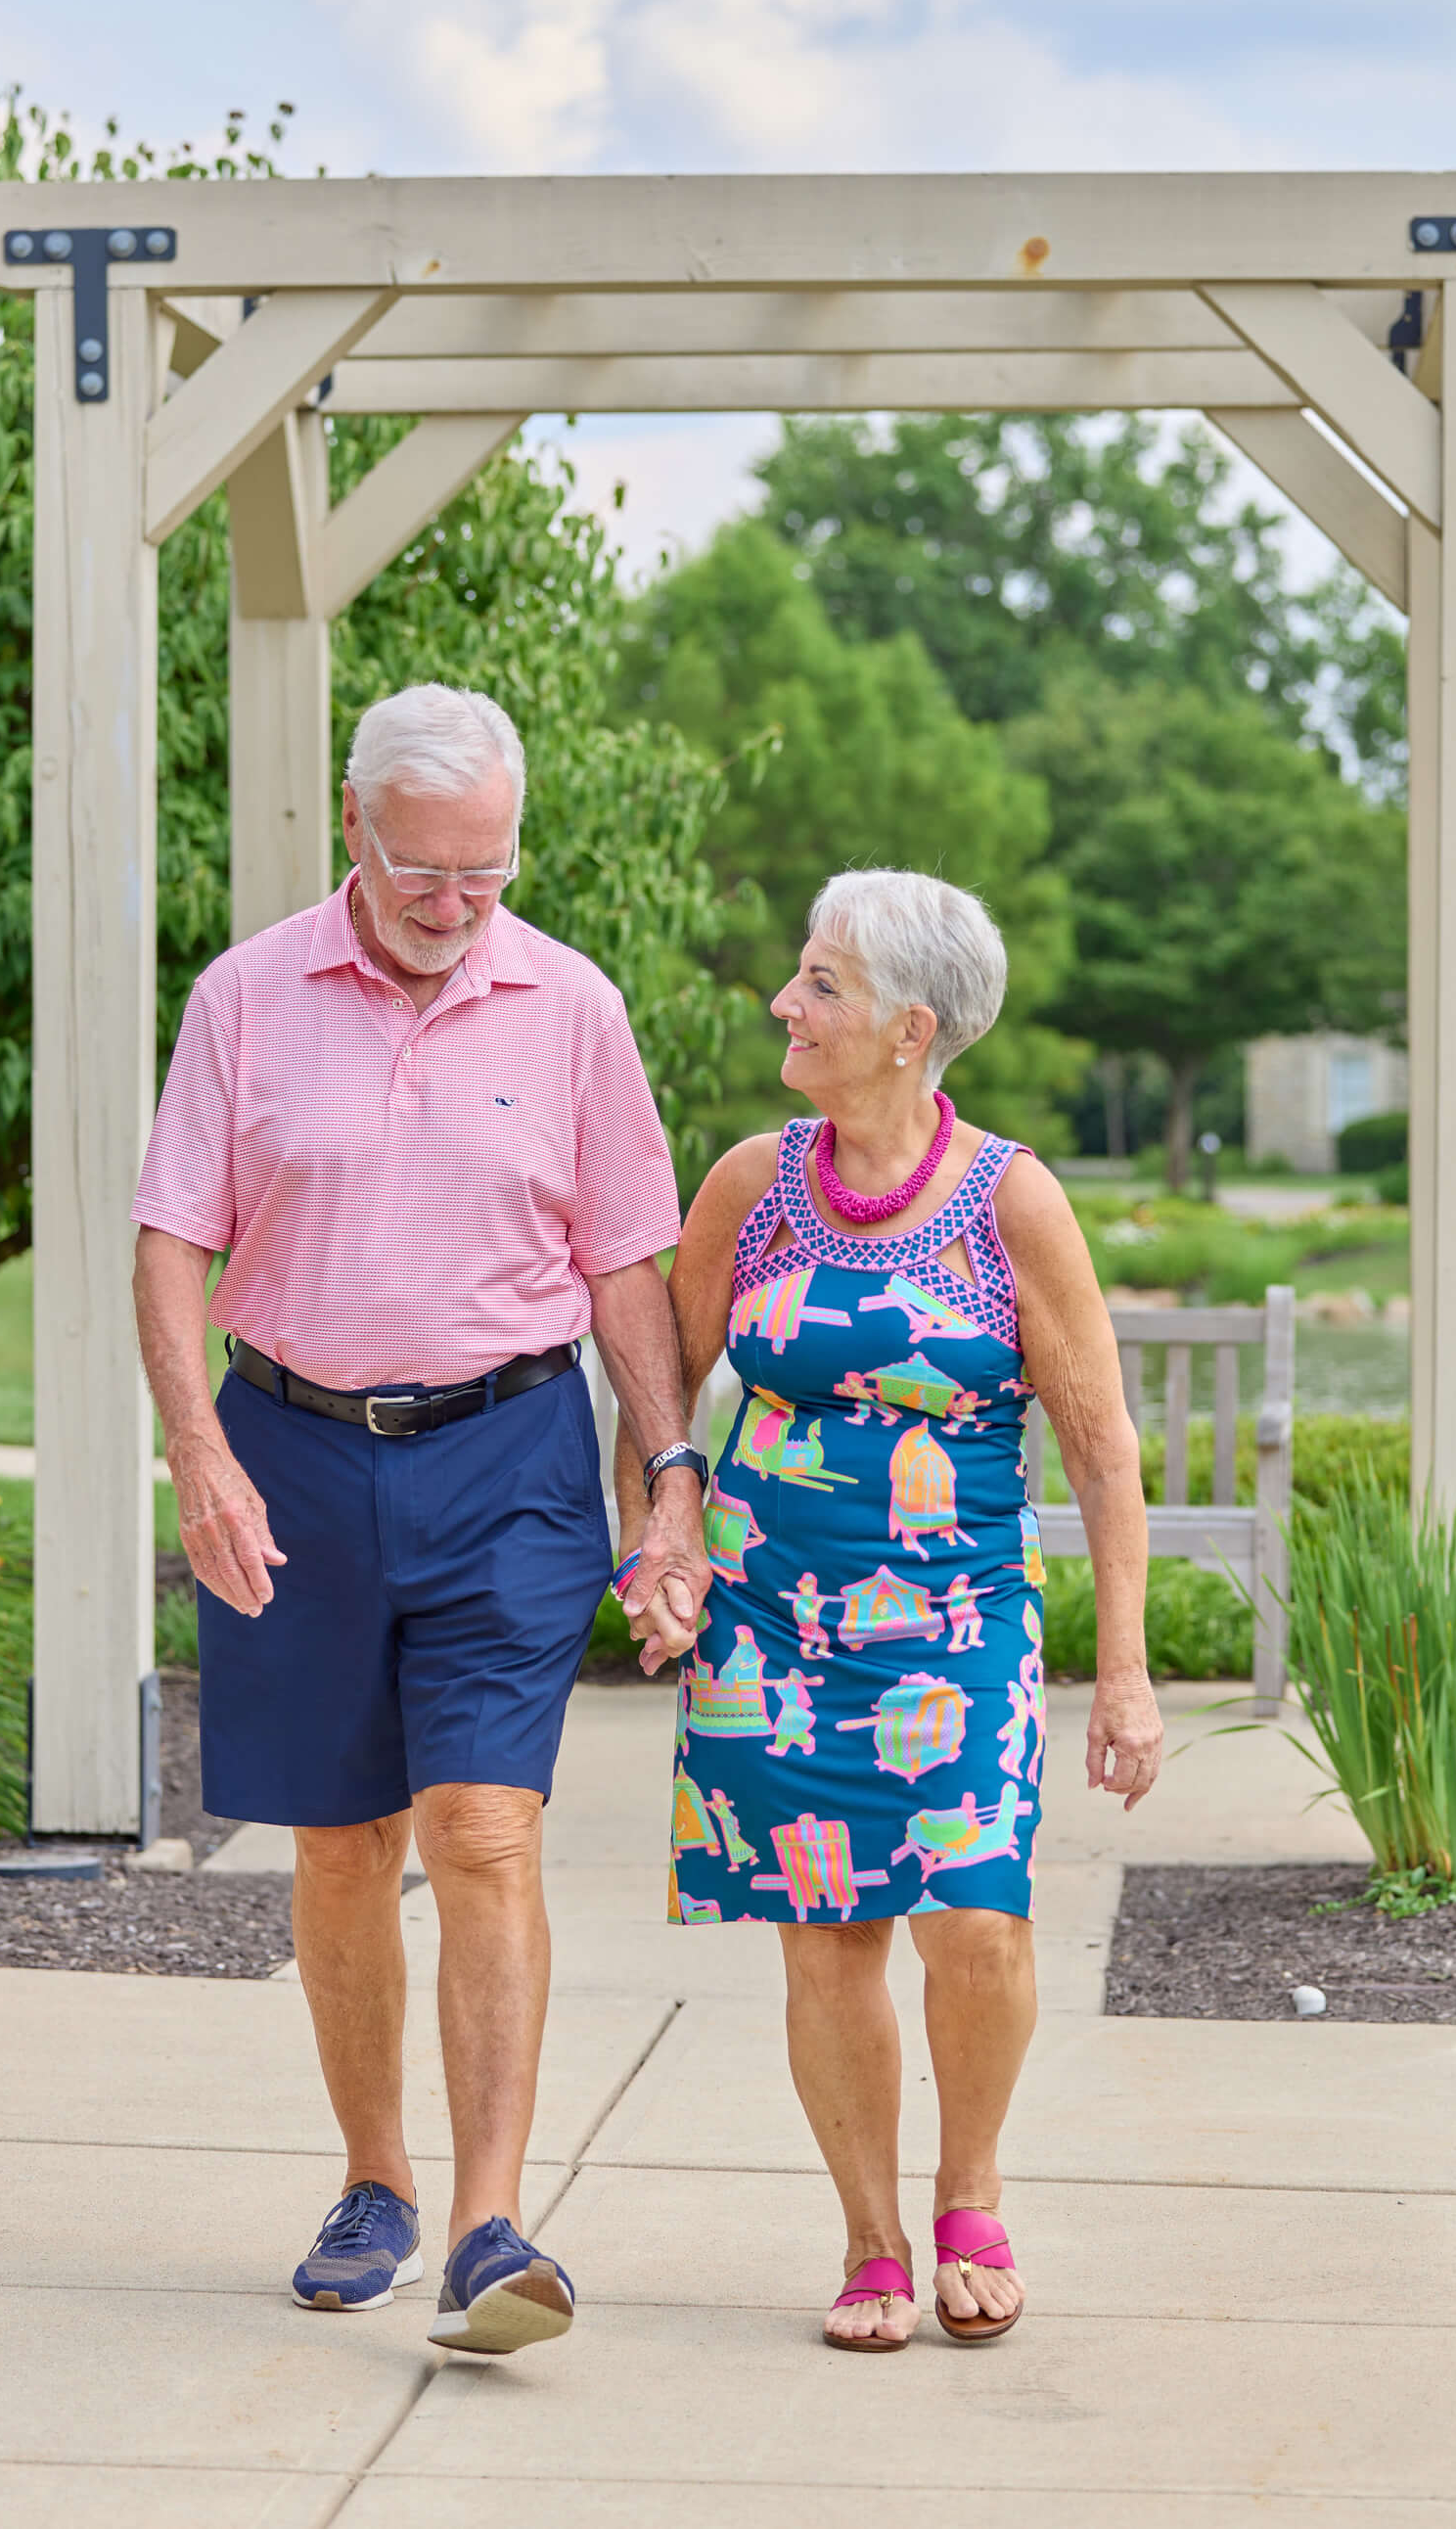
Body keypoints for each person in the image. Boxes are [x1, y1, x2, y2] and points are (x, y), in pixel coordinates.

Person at [134, 684, 712, 2356]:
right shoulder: (247, 998)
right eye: (423, 876)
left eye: (487, 873)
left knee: (482, 1829)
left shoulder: (571, 1006)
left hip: (508, 1456)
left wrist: (665, 1472)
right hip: (292, 1453)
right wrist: (198, 1453)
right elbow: (174, 1234)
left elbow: (624, 1268)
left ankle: (485, 2222)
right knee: (338, 1842)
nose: (457, 908)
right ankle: (372, 2181)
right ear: (353, 829)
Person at [646, 868, 1161, 2352]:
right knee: (823, 1937)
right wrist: (663, 1535)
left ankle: (970, 2188)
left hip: (955, 1622)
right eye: (800, 976)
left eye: (821, 984)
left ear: (906, 1030)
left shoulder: (1011, 1199)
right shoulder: (752, 1184)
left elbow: (1099, 1440)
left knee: (975, 1922)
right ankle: (870, 2243)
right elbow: (663, 1393)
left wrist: (1120, 1674)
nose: (785, 1004)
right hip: (767, 1627)